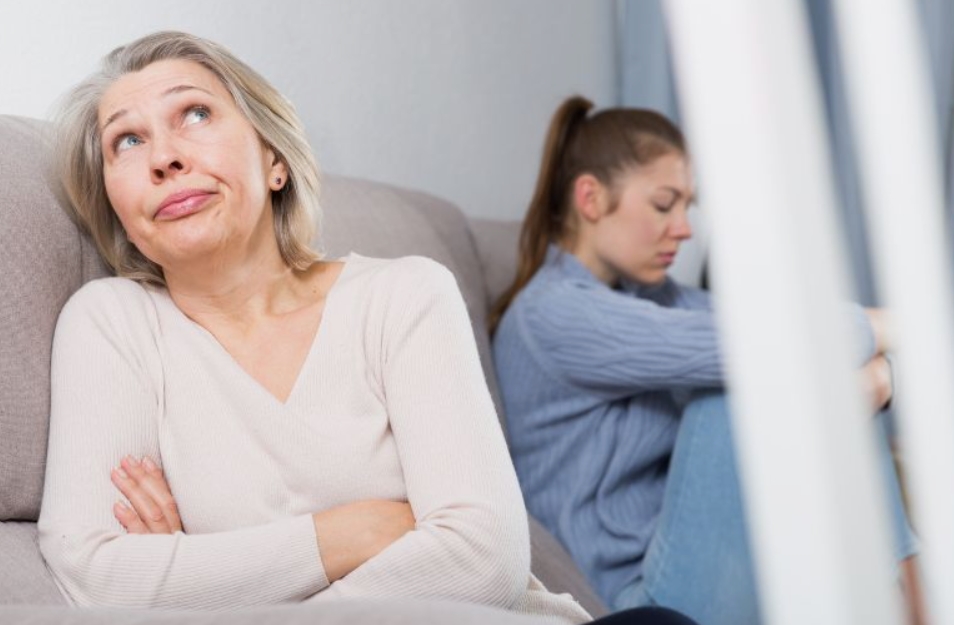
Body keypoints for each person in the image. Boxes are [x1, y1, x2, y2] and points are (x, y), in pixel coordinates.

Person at [36, 30, 705, 625]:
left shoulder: (404, 295)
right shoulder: (111, 324)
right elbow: (95, 574)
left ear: (274, 160)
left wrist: (206, 587)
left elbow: (484, 557)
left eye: (195, 113)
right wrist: (348, 532)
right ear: (117, 208)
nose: (164, 156)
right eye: (127, 141)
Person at [490, 96, 922, 624]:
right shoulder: (554, 314)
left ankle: (904, 597)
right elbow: (765, 349)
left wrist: (878, 377)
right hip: (634, 602)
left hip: (691, 564)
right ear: (591, 198)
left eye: (687, 206)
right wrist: (906, 337)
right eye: (664, 204)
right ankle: (912, 599)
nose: (685, 228)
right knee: (738, 387)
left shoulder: (651, 297)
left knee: (788, 368)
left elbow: (782, 324)